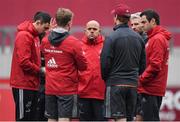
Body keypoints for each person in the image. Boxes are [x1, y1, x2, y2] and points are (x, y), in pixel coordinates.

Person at [100, 4, 146, 121]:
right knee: (130, 118)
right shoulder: (139, 38)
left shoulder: (111, 37)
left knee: (119, 118)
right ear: (129, 19)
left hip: (115, 84)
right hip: (132, 84)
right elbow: (142, 65)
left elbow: (105, 64)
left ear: (116, 17)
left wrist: (108, 78)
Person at [41, 8, 87, 122]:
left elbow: (43, 54)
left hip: (50, 87)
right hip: (66, 88)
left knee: (51, 118)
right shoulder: (74, 42)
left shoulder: (45, 40)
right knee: (64, 118)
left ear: (55, 21)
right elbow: (83, 66)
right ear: (69, 23)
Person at [10, 11, 51, 121]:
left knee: (32, 119)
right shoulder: (24, 36)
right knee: (23, 119)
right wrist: (41, 70)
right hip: (23, 84)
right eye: (45, 28)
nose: (46, 31)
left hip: (32, 84)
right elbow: (24, 62)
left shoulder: (36, 37)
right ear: (38, 23)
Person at [136, 9, 171, 121]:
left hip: (151, 88)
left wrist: (141, 79)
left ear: (153, 21)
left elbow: (155, 65)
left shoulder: (157, 39)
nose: (141, 25)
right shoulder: (153, 38)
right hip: (149, 87)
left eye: (143, 22)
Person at [78, 20, 106, 121]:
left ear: (100, 31)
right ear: (85, 31)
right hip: (83, 93)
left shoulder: (106, 45)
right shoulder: (79, 46)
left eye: (94, 29)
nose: (92, 31)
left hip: (101, 94)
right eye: (89, 29)